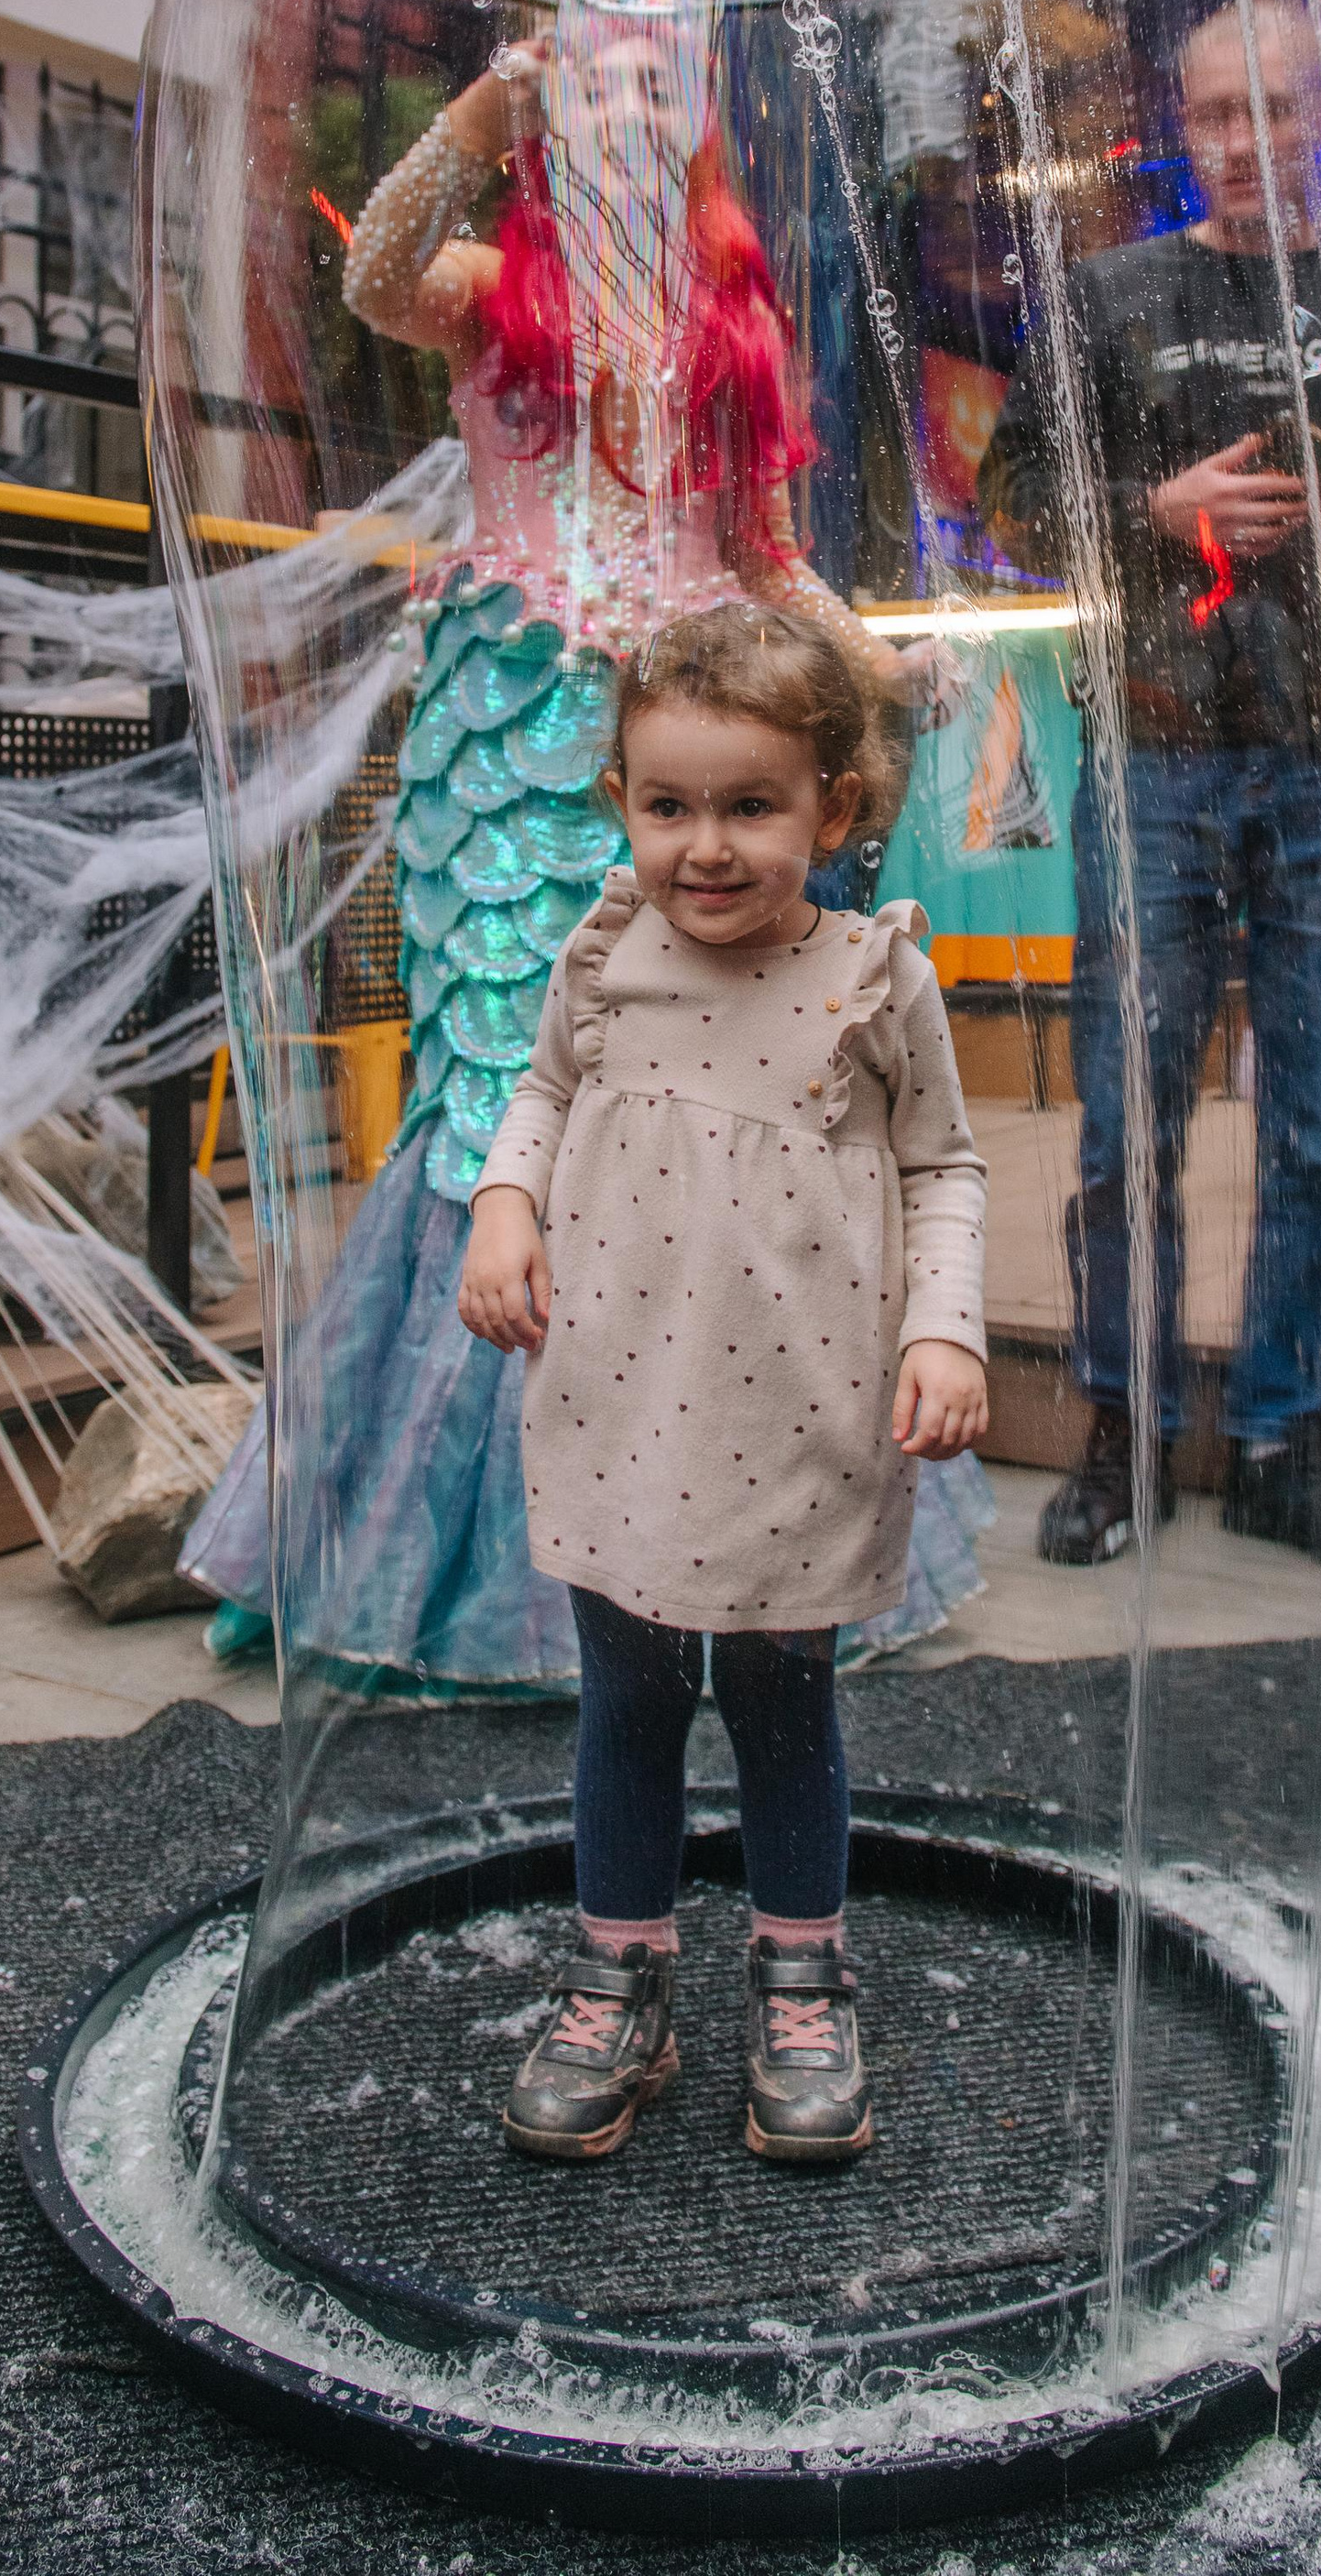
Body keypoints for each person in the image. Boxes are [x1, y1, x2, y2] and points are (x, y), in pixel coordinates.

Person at [180, 28, 989, 1686]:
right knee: (509, 1075)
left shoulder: (731, 323)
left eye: (655, 86)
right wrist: (477, 114)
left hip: (692, 750)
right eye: (594, 86)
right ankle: (469, 1565)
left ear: (696, 128)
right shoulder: (489, 283)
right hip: (515, 740)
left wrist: (875, 662)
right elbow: (374, 273)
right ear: (550, 122)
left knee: (692, 1083)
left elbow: (762, 553)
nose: (625, 109)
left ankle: (722, 1513)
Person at [459, 603, 989, 2162]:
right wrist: (503, 1201)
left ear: (834, 808)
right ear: (620, 801)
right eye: (668, 805)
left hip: (799, 1418)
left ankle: (801, 1979)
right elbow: (542, 1091)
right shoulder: (602, 953)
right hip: (621, 1399)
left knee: (782, 1703)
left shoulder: (876, 977)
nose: (705, 846)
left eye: (751, 806)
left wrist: (945, 1330)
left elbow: (942, 1165)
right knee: (627, 1701)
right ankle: (618, 1977)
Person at [976, 0, 1321, 1566]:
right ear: (1184, 125)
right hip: (1155, 759)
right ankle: (1123, 1432)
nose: (1245, 142)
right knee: (1128, 1126)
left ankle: (1288, 1444)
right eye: (1218, 113)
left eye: (1278, 109)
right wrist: (1151, 512)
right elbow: (1011, 503)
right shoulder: (1108, 294)